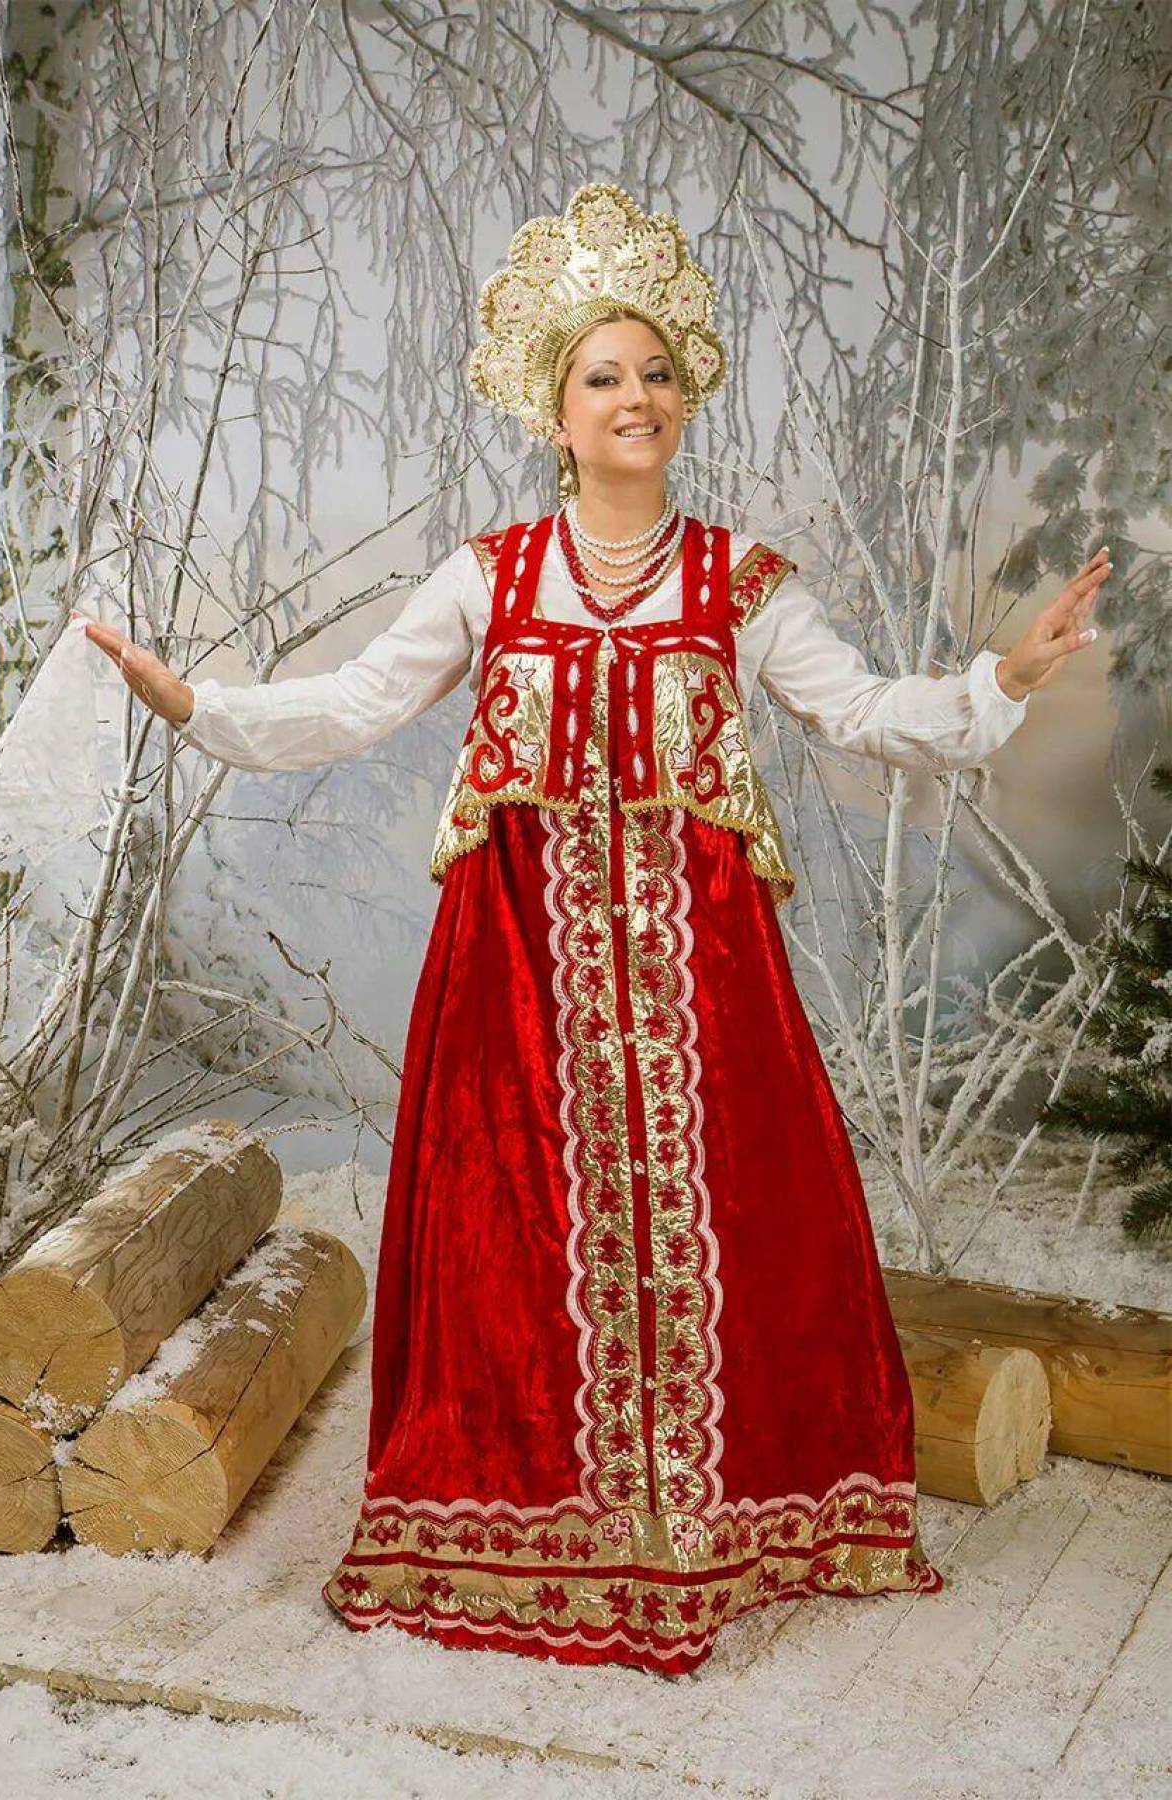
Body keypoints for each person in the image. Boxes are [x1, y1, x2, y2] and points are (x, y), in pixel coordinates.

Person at [84, 182, 1109, 1676]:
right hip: (519, 985)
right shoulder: (488, 578)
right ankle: (519, 1518)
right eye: (602, 375)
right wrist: (200, 706)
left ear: (683, 399)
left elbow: (874, 715)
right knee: (516, 1243)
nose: (637, 395)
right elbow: (359, 704)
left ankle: (727, 1523)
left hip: (707, 988)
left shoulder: (741, 584)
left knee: (743, 1234)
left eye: (656, 371)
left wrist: (1004, 677)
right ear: (556, 413)